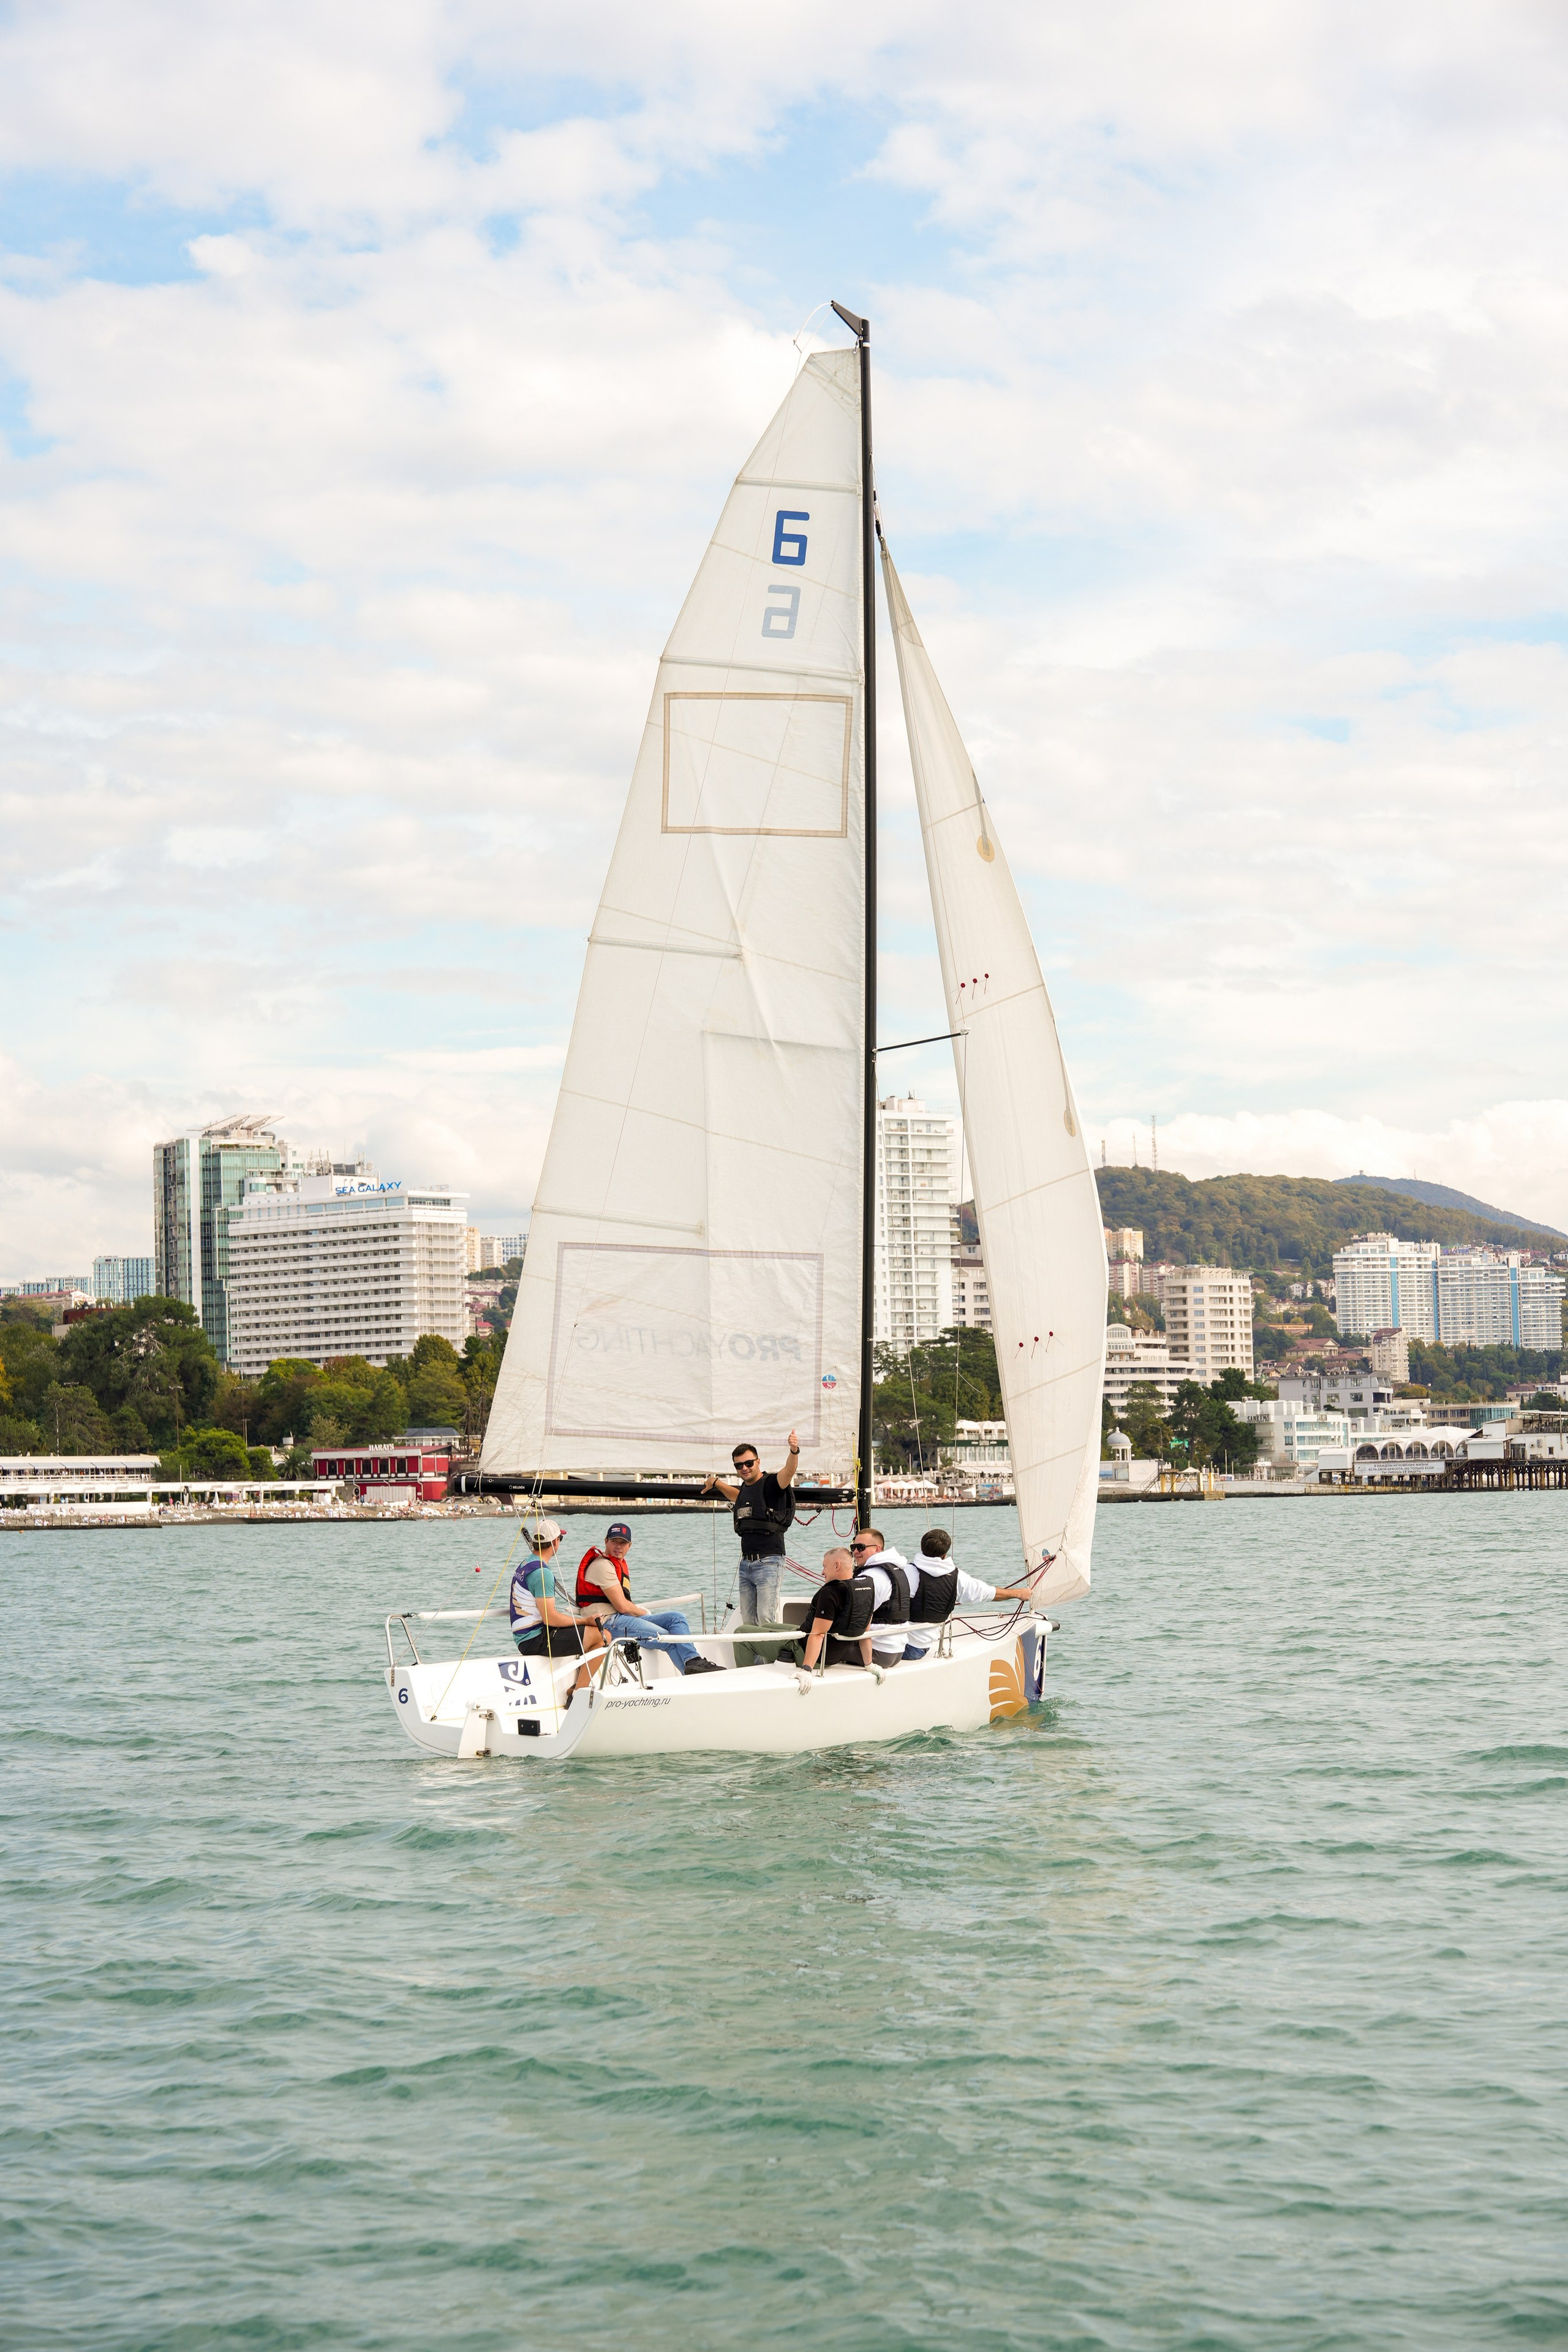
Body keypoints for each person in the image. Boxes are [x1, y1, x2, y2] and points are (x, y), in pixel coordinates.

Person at [575, 1521, 723, 1677]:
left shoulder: (615, 1564)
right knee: (667, 1638)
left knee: (677, 1618)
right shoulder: (602, 1566)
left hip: (621, 1619)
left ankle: (693, 1661)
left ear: (630, 1545)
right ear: (606, 1541)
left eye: (623, 1542)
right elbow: (622, 1606)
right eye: (614, 1541)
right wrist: (642, 1612)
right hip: (608, 1623)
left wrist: (638, 1612)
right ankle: (693, 1677)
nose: (618, 1546)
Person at [702, 1431, 800, 1660]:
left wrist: (794, 1451)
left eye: (748, 1463)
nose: (744, 1468)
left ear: (758, 1462)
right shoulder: (745, 1490)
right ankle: (757, 1667)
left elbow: (789, 1471)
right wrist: (716, 1482)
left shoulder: (773, 1484)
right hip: (746, 1565)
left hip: (769, 1562)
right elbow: (736, 1496)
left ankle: (774, 1663)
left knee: (766, 1619)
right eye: (739, 1466)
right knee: (749, 1622)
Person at [898, 1526, 1040, 1661]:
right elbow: (989, 1593)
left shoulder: (905, 1573)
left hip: (903, 1646)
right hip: (920, 1649)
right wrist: (1019, 1593)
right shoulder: (959, 1578)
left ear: (922, 1548)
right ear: (945, 1553)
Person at [509, 1519, 608, 1699]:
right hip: (534, 1640)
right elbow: (550, 1619)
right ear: (555, 1542)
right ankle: (578, 1693)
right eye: (560, 1539)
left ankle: (577, 1687)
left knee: (590, 1631)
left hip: (524, 1637)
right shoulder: (542, 1573)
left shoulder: (525, 1565)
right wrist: (585, 1620)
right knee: (604, 1636)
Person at [798, 1546, 875, 1673]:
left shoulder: (830, 1592)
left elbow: (818, 1634)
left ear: (837, 1565)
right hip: (835, 1656)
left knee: (753, 1636)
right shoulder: (865, 1593)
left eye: (825, 1566)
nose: (822, 1572)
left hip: (808, 1653)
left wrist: (806, 1670)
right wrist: (870, 1665)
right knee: (770, 1625)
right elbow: (865, 1635)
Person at [848, 1528, 918, 1666]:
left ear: (878, 1549)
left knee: (822, 1646)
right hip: (897, 1650)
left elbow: (856, 1616)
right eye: (853, 1547)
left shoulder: (871, 1577)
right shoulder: (899, 1570)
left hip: (878, 1652)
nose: (856, 1552)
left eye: (861, 1548)